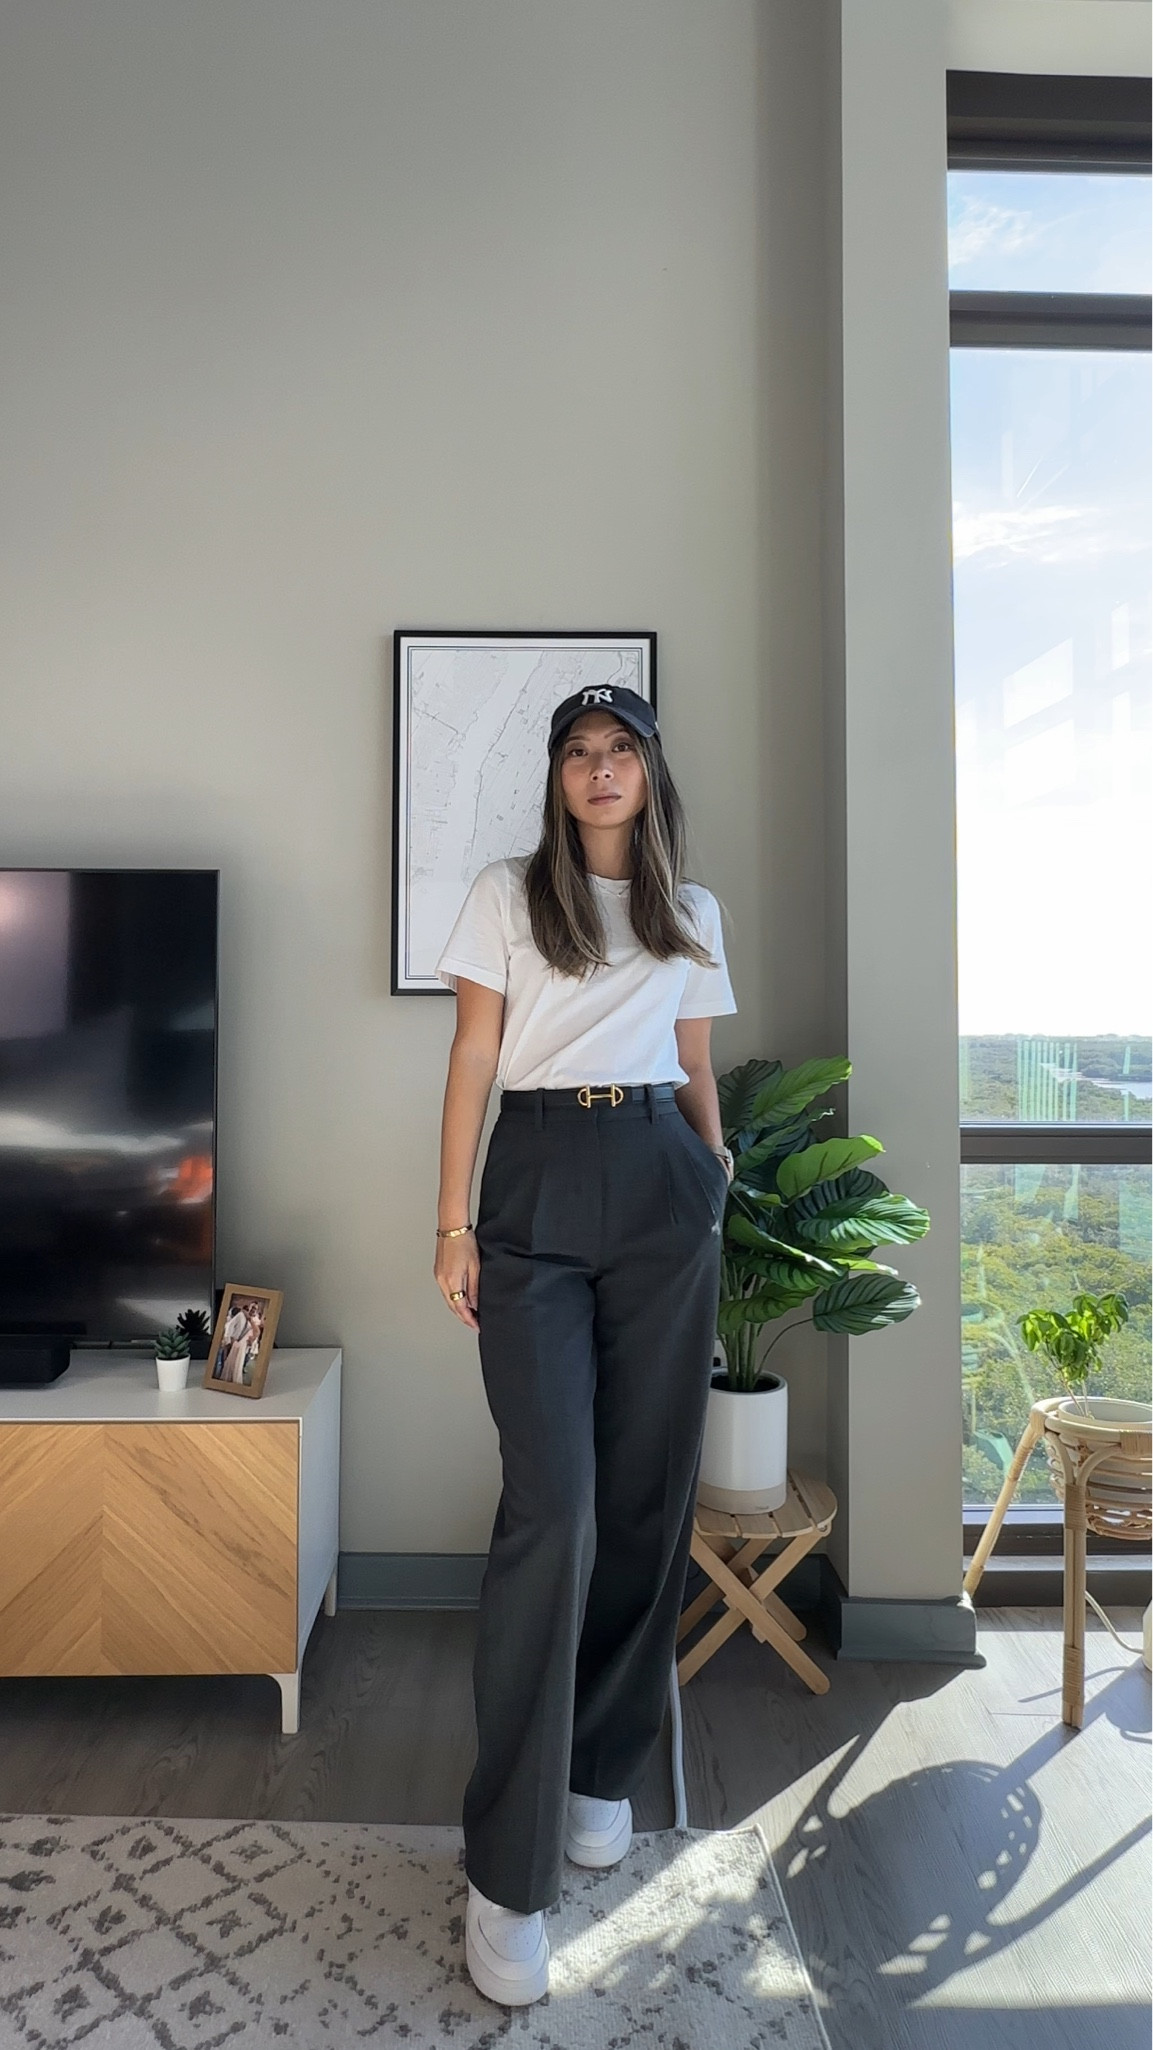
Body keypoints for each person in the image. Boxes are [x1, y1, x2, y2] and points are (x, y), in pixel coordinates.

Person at [433, 683, 737, 2008]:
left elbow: (694, 1061)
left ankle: (600, 1766)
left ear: (649, 773)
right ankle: (505, 1876)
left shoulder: (692, 909)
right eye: (577, 753)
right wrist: (453, 1223)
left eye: (620, 751)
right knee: (553, 1507)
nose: (599, 769)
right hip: (539, 1180)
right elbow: (470, 1056)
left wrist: (714, 1174)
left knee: (647, 1492)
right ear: (556, 777)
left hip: (664, 1177)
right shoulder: (509, 894)